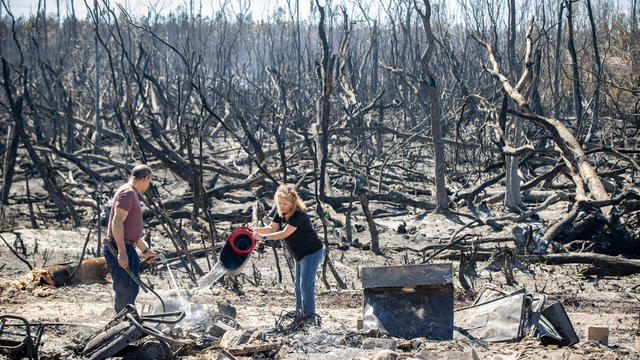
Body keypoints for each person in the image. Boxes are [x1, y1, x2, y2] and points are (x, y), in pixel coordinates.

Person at [252, 184, 324, 323]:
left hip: (311, 252)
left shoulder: (299, 215)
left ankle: (310, 319)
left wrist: (263, 238)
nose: (282, 206)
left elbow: (284, 233)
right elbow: (272, 228)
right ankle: (299, 315)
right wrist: (254, 230)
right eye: (279, 203)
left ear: (293, 203)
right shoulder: (280, 213)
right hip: (299, 254)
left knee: (305, 285)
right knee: (297, 285)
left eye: (285, 203)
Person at [104, 164, 156, 313]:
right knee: (125, 290)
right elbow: (117, 221)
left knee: (131, 289)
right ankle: (122, 324)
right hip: (119, 246)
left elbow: (131, 233)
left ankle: (129, 322)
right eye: (149, 181)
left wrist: (145, 250)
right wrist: (121, 251)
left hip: (127, 245)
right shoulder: (127, 193)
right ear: (146, 179)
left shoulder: (131, 193)